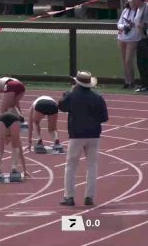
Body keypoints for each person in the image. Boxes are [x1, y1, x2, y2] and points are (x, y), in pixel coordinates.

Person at [58, 71, 108, 206]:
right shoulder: (97, 97)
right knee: (92, 166)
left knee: (71, 166)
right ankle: (89, 197)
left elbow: (61, 106)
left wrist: (68, 93)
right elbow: (104, 117)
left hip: (76, 135)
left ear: (77, 82)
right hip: (94, 135)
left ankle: (69, 197)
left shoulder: (73, 96)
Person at [0, 111, 31, 180]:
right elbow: (20, 153)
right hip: (14, 120)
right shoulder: (15, 135)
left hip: (0, 120)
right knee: (15, 148)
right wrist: (24, 170)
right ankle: (14, 167)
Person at [117, 0, 140, 89]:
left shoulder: (139, 11)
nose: (131, 4)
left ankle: (132, 82)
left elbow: (139, 23)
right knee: (124, 61)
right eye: (130, 2)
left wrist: (133, 25)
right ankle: (127, 81)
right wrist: (123, 27)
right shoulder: (125, 11)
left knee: (128, 60)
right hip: (122, 37)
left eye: (133, 2)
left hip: (133, 38)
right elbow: (119, 23)